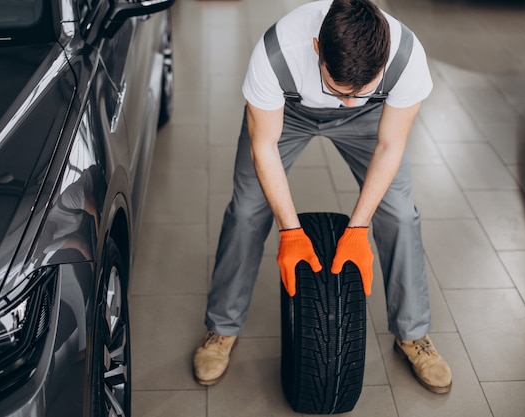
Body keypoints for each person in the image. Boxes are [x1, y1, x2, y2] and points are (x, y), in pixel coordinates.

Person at [193, 0, 452, 394]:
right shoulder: (275, 53)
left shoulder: (407, 57)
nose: (345, 100)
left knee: (399, 212)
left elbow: (390, 145)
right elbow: (264, 147)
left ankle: (413, 333)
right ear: (317, 47)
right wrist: (291, 232)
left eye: (357, 91)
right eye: (337, 89)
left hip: (370, 119)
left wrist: (358, 227)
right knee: (246, 210)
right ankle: (221, 329)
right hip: (290, 111)